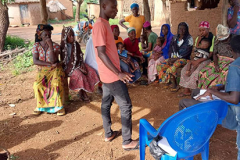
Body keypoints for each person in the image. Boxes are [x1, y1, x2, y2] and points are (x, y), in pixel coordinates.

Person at [179, 35, 240, 160]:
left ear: (231, 49)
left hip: (234, 114)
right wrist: (221, 86)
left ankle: (190, 138)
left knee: (184, 102)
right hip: (234, 105)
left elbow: (234, 99)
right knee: (196, 91)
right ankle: (199, 126)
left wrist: (212, 90)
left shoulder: (235, 66)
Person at [92, 0, 139, 150]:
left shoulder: (105, 23)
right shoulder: (100, 25)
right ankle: (127, 142)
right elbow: (101, 53)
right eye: (114, 7)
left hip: (107, 75)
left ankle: (108, 133)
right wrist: (118, 73)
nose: (116, 10)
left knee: (106, 103)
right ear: (104, 6)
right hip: (111, 75)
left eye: (117, 7)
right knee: (125, 105)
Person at [32, 24, 66, 116]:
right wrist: (49, 64)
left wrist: (50, 46)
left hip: (55, 69)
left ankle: (59, 107)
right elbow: (35, 61)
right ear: (40, 36)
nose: (48, 37)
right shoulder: (36, 45)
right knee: (37, 85)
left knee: (56, 84)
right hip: (43, 70)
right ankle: (40, 106)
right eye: (45, 35)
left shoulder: (55, 46)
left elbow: (53, 60)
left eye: (49, 35)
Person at [60, 26, 100, 102]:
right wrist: (76, 68)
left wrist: (81, 64)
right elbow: (64, 62)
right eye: (70, 36)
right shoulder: (62, 47)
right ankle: (83, 93)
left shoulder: (76, 44)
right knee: (80, 75)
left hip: (78, 64)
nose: (72, 37)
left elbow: (80, 55)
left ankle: (83, 92)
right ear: (65, 37)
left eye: (73, 35)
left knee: (91, 71)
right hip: (68, 68)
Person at [179, 21, 215, 96]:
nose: (202, 32)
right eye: (200, 30)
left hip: (206, 59)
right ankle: (187, 90)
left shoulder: (213, 38)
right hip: (197, 57)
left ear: (208, 29)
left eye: (203, 30)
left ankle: (195, 91)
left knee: (196, 72)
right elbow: (195, 49)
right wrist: (199, 39)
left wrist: (199, 61)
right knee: (184, 70)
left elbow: (211, 53)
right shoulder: (199, 38)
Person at [157, 22, 193, 91]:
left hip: (184, 59)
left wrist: (175, 59)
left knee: (173, 67)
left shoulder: (189, 38)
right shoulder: (175, 37)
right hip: (174, 58)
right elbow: (170, 49)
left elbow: (186, 52)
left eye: (183, 29)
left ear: (186, 30)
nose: (181, 30)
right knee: (160, 65)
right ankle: (168, 81)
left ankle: (175, 85)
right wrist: (170, 58)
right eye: (180, 29)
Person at [198, 24, 234, 89]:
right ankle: (204, 92)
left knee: (223, 76)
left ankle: (217, 94)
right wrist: (216, 64)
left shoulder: (235, 39)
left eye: (225, 38)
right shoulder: (217, 40)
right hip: (219, 61)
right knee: (203, 72)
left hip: (231, 62)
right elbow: (214, 54)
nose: (223, 40)